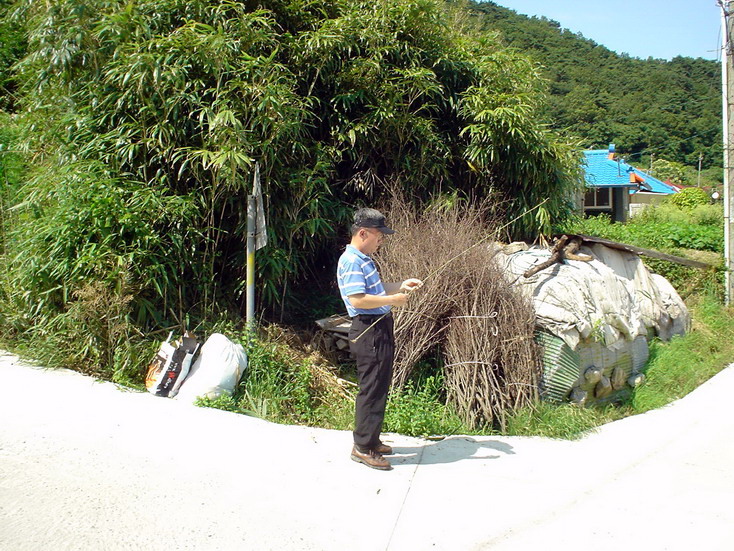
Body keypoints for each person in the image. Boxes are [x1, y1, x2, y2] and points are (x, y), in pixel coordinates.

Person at [336, 208, 422, 470]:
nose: (381, 240)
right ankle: (362, 447)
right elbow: (357, 299)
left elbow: (376, 290)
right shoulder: (351, 261)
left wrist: (400, 287)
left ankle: (371, 440)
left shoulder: (364, 259)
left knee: (380, 385)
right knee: (371, 388)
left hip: (380, 327)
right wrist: (393, 301)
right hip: (368, 329)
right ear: (363, 233)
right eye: (378, 235)